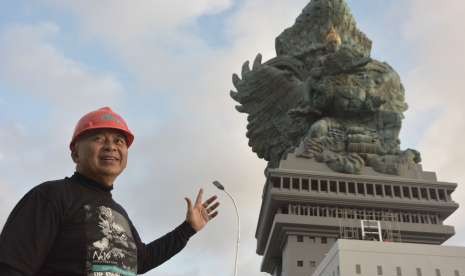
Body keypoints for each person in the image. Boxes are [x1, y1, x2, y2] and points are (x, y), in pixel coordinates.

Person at [0, 107, 220, 276]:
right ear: (75, 153)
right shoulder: (50, 196)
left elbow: (140, 261)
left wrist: (187, 229)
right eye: (98, 138)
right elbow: (11, 266)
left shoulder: (119, 213)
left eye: (119, 141)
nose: (111, 146)